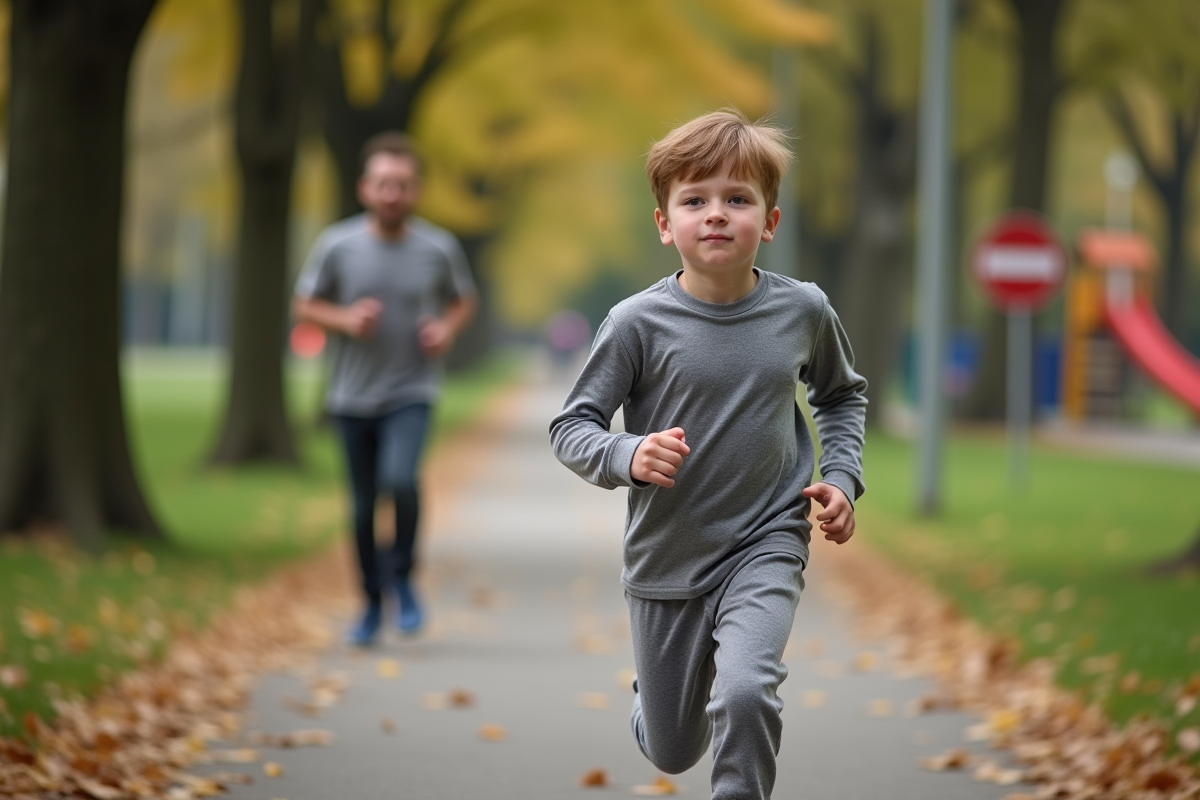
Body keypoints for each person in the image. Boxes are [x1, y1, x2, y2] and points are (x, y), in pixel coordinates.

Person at [549, 110, 867, 800]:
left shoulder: (803, 310)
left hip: (766, 539)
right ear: (665, 224)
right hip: (666, 555)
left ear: (770, 221)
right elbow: (572, 426)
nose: (716, 215)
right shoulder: (635, 323)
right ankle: (656, 699)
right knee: (673, 746)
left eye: (737, 199)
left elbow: (841, 397)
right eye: (695, 200)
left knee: (747, 693)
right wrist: (627, 452)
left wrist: (841, 476)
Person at [293, 132, 477, 645]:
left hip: (411, 389)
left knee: (401, 480)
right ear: (364, 189)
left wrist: (445, 329)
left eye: (402, 185)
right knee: (361, 506)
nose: (392, 194)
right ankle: (372, 603)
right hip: (350, 396)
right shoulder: (336, 245)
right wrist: (345, 319)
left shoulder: (438, 247)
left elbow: (463, 301)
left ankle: (403, 577)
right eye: (382, 184)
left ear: (416, 190)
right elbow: (304, 305)